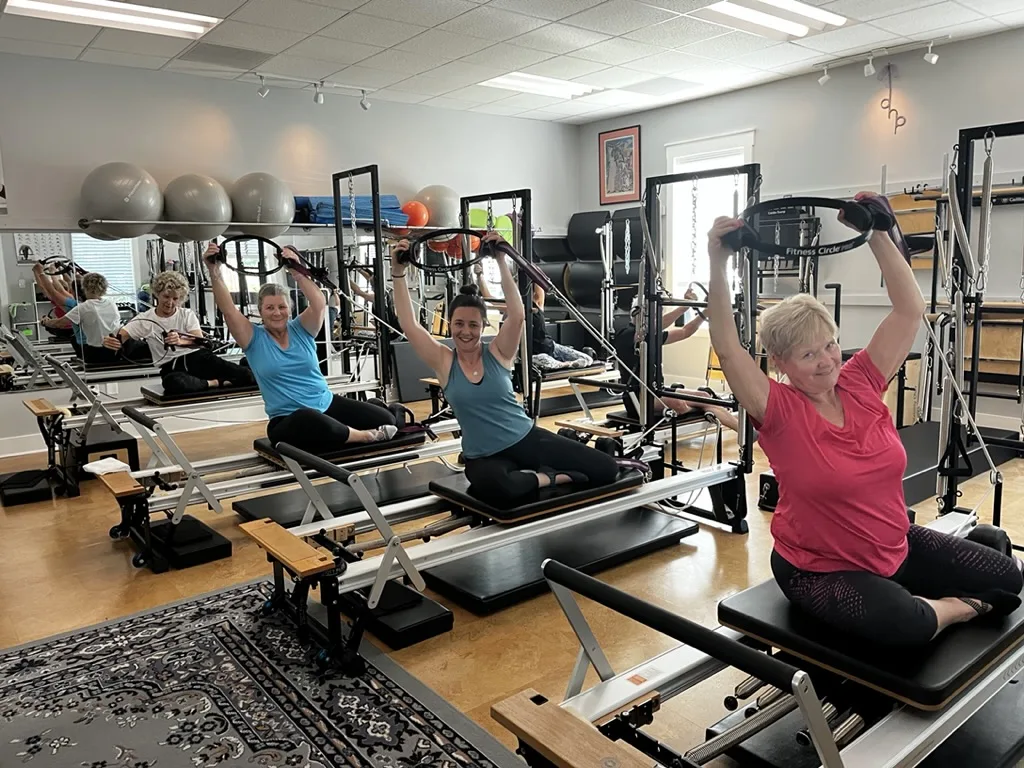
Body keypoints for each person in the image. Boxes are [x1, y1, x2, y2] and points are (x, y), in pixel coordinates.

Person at [706, 193, 1023, 648]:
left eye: (829, 345)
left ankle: (932, 602)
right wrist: (718, 261)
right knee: (903, 624)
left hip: (894, 543)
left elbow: (908, 310)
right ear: (780, 363)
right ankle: (953, 608)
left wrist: (875, 233)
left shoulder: (860, 382)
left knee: (1007, 576)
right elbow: (728, 347)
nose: (825, 361)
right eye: (808, 354)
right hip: (817, 567)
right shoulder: (777, 409)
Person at [391, 233, 619, 505]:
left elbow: (518, 314)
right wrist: (397, 272)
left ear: (483, 326)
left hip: (525, 439)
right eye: (459, 324)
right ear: (450, 324)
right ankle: (552, 477)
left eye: (473, 325)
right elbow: (409, 324)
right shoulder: (444, 360)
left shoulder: (498, 353)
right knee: (501, 487)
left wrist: (500, 260)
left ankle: (549, 465)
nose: (465, 332)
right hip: (483, 456)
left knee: (607, 469)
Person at [204, 242, 397, 454]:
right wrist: (214, 270)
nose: (276, 313)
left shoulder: (301, 330)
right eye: (269, 308)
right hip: (287, 419)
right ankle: (364, 436)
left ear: (290, 309)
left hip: (326, 403)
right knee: (311, 418)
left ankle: (344, 433)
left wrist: (296, 270)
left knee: (387, 418)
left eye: (282, 307)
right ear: (260, 311)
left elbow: (319, 303)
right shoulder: (253, 338)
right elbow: (229, 310)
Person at [613, 286, 740, 432]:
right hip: (638, 398)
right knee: (680, 404)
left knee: (705, 396)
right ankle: (703, 409)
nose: (657, 319)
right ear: (639, 314)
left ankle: (744, 433)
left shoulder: (651, 337)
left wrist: (706, 312)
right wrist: (685, 305)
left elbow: (685, 331)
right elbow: (650, 328)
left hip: (658, 391)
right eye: (654, 315)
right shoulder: (627, 335)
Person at [104, 270, 254, 394]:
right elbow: (121, 335)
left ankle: (244, 367)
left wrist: (180, 340)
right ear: (157, 294)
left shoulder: (186, 314)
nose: (170, 303)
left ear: (181, 298)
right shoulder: (145, 319)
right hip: (171, 367)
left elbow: (199, 341)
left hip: (198, 360)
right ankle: (216, 382)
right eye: (166, 297)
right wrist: (113, 342)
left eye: (175, 298)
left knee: (248, 376)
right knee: (174, 384)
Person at [474, 265, 594, 370]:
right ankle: (565, 365)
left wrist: (527, 265)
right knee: (541, 359)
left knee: (586, 359)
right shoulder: (512, 308)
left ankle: (565, 363)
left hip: (552, 347)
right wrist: (480, 276)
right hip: (533, 355)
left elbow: (539, 283)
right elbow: (488, 297)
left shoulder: (537, 302)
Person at [39, 271, 123, 366]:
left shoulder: (84, 307)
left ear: (85, 288)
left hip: (95, 352)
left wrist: (46, 322)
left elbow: (59, 323)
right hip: (115, 351)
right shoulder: (111, 303)